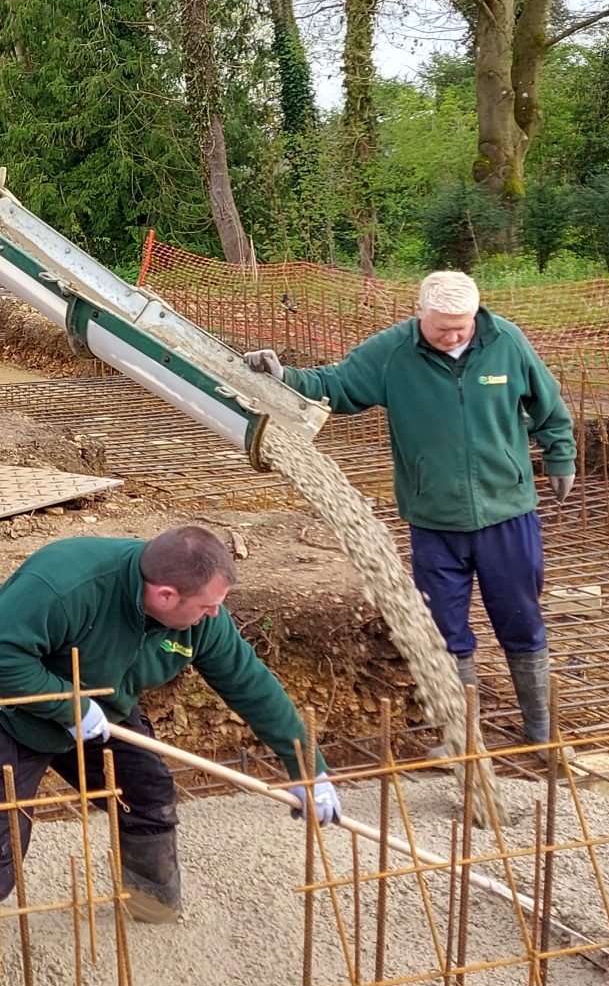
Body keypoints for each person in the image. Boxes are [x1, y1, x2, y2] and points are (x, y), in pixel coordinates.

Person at [0, 525, 339, 986]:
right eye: (207, 604)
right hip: (1, 705)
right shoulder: (66, 583)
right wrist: (69, 708)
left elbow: (250, 684)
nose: (215, 613)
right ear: (166, 595)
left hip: (97, 706)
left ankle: (151, 899)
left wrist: (307, 768)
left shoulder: (201, 620)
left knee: (144, 793)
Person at [243, 270, 576, 747]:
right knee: (445, 630)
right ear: (420, 313)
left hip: (507, 513)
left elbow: (548, 405)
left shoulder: (506, 341)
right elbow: (335, 384)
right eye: (442, 326)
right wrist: (284, 375)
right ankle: (463, 739)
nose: (455, 334)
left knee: (520, 619)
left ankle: (540, 730)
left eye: (462, 325)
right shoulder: (393, 352)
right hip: (434, 520)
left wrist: (560, 454)